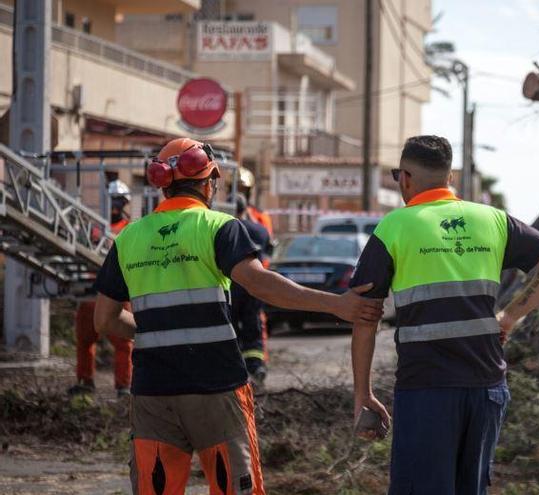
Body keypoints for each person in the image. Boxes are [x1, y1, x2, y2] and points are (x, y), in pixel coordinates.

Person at [93, 137, 383, 495]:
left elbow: (104, 320)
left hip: (153, 391)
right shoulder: (218, 227)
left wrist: (154, 332)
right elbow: (261, 285)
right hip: (216, 388)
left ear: (163, 183)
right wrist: (336, 304)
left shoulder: (128, 238)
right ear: (209, 180)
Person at [349, 135, 539, 495]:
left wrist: (362, 392)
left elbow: (365, 314)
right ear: (450, 178)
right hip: (486, 388)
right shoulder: (493, 221)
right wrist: (510, 316)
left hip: (427, 389)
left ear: (405, 177)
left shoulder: (395, 226)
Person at [69, 180, 134, 397]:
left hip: (117, 293)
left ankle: (123, 386)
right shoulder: (95, 228)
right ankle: (85, 381)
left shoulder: (130, 230)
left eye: (119, 201)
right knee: (85, 339)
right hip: (91, 290)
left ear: (125, 203)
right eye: (113, 200)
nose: (115, 205)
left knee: (124, 342)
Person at [231, 194, 272, 386]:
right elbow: (268, 254)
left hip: (231, 285)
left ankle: (237, 368)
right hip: (256, 286)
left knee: (231, 327)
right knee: (253, 326)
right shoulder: (260, 230)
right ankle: (256, 366)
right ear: (245, 208)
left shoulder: (226, 230)